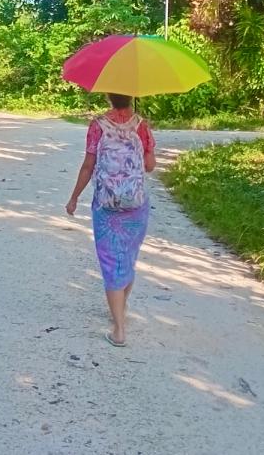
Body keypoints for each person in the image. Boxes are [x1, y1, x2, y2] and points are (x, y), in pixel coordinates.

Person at [65, 92, 157, 347]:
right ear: (132, 96)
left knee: (110, 261)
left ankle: (119, 329)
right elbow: (150, 166)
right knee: (127, 257)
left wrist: (74, 197)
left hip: (106, 205)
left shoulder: (98, 126)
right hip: (136, 204)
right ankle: (121, 309)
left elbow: (88, 166)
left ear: (108, 96)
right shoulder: (142, 126)